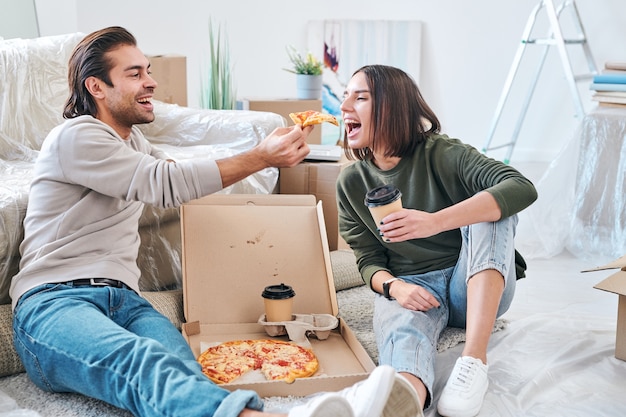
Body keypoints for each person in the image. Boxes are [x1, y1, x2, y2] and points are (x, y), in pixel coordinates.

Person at [9, 27, 422, 417]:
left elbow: (182, 179)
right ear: (96, 87)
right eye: (134, 73)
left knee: (184, 372)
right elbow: (165, 184)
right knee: (141, 361)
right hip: (54, 302)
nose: (150, 81)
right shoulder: (77, 136)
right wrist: (261, 157)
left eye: (148, 70)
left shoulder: (134, 143)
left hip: (126, 302)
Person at [336, 64, 538, 417]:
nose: (344, 107)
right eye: (344, 97)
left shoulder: (442, 153)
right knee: (402, 331)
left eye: (360, 97)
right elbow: (367, 260)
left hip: (472, 284)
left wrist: (435, 222)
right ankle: (405, 400)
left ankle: (473, 360)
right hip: (415, 289)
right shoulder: (351, 182)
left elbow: (520, 186)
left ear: (392, 106)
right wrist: (395, 288)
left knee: (493, 214)